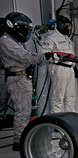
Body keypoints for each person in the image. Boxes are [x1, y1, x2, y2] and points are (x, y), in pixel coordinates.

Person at [0, 12, 56, 150]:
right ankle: (19, 140)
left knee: (25, 110)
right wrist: (45, 56)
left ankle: (21, 137)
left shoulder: (15, 41)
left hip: (21, 77)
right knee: (22, 111)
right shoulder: (6, 41)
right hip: (16, 78)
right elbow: (26, 57)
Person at [40, 15, 78, 113]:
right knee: (57, 97)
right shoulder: (51, 38)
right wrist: (56, 56)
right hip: (59, 68)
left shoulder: (67, 38)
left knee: (70, 97)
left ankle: (70, 120)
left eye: (70, 27)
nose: (69, 29)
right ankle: (56, 123)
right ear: (61, 25)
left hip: (69, 68)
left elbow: (71, 54)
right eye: (67, 26)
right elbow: (44, 53)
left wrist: (74, 67)